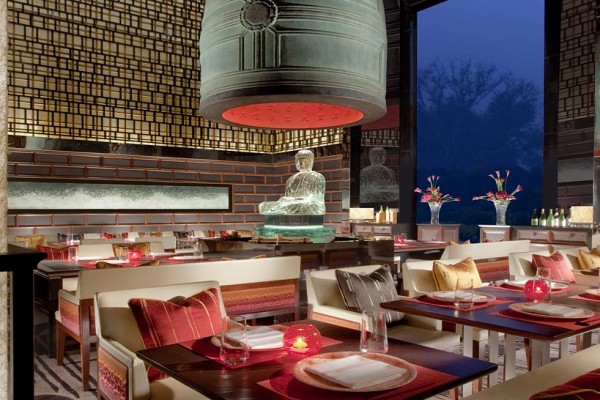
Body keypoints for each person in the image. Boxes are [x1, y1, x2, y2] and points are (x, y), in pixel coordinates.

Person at [259, 149, 326, 215]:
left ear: (310, 161)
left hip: (308, 205)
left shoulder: (317, 177)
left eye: (302, 159)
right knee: (263, 205)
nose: (298, 162)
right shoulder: (290, 179)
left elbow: (315, 199)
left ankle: (282, 208)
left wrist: (296, 200)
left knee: (303, 205)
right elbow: (287, 197)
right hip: (291, 204)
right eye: (297, 160)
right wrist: (286, 200)